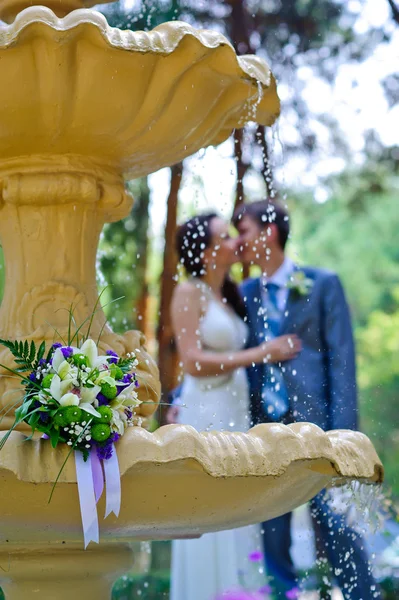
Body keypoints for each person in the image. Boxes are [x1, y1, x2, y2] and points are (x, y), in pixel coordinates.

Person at [233, 199, 381, 600]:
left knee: (336, 528)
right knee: (273, 534)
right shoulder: (244, 293)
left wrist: (344, 436)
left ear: (269, 232)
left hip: (319, 430)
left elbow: (341, 362)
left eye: (244, 231)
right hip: (264, 435)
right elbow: (225, 355)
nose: (238, 241)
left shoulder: (323, 283)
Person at [168, 213, 301, 600]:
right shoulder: (187, 292)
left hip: (235, 407)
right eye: (224, 237)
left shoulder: (230, 292)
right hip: (206, 412)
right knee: (209, 503)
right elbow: (192, 361)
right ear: (206, 252)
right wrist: (262, 353)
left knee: (239, 506)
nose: (234, 243)